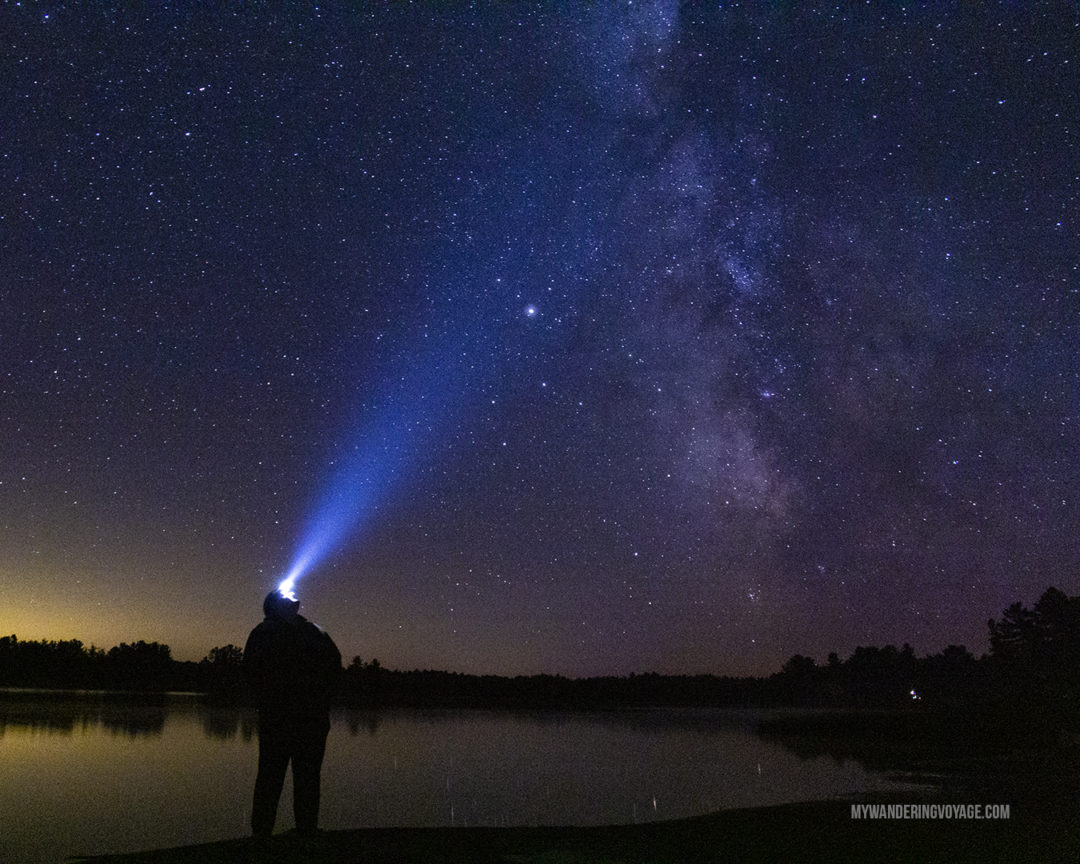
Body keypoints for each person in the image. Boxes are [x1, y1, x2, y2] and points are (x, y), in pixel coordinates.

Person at [243, 589, 342, 838]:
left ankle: (306, 831)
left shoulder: (314, 631)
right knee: (270, 777)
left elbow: (335, 663)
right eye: (286, 595)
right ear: (274, 606)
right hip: (279, 718)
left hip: (311, 719)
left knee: (307, 778)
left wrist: (320, 697)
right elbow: (252, 673)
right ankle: (262, 834)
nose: (293, 597)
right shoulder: (264, 633)